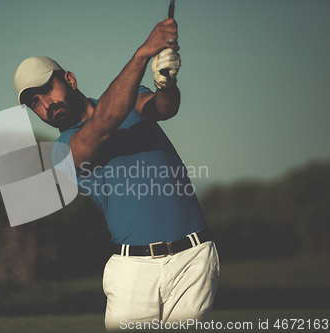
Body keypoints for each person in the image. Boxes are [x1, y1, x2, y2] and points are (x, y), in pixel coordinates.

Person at [14, 18, 219, 331]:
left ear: (69, 79)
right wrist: (141, 55)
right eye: (34, 103)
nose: (44, 104)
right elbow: (105, 121)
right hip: (132, 270)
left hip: (193, 258)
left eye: (46, 90)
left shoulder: (133, 100)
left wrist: (167, 83)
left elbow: (164, 108)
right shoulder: (63, 149)